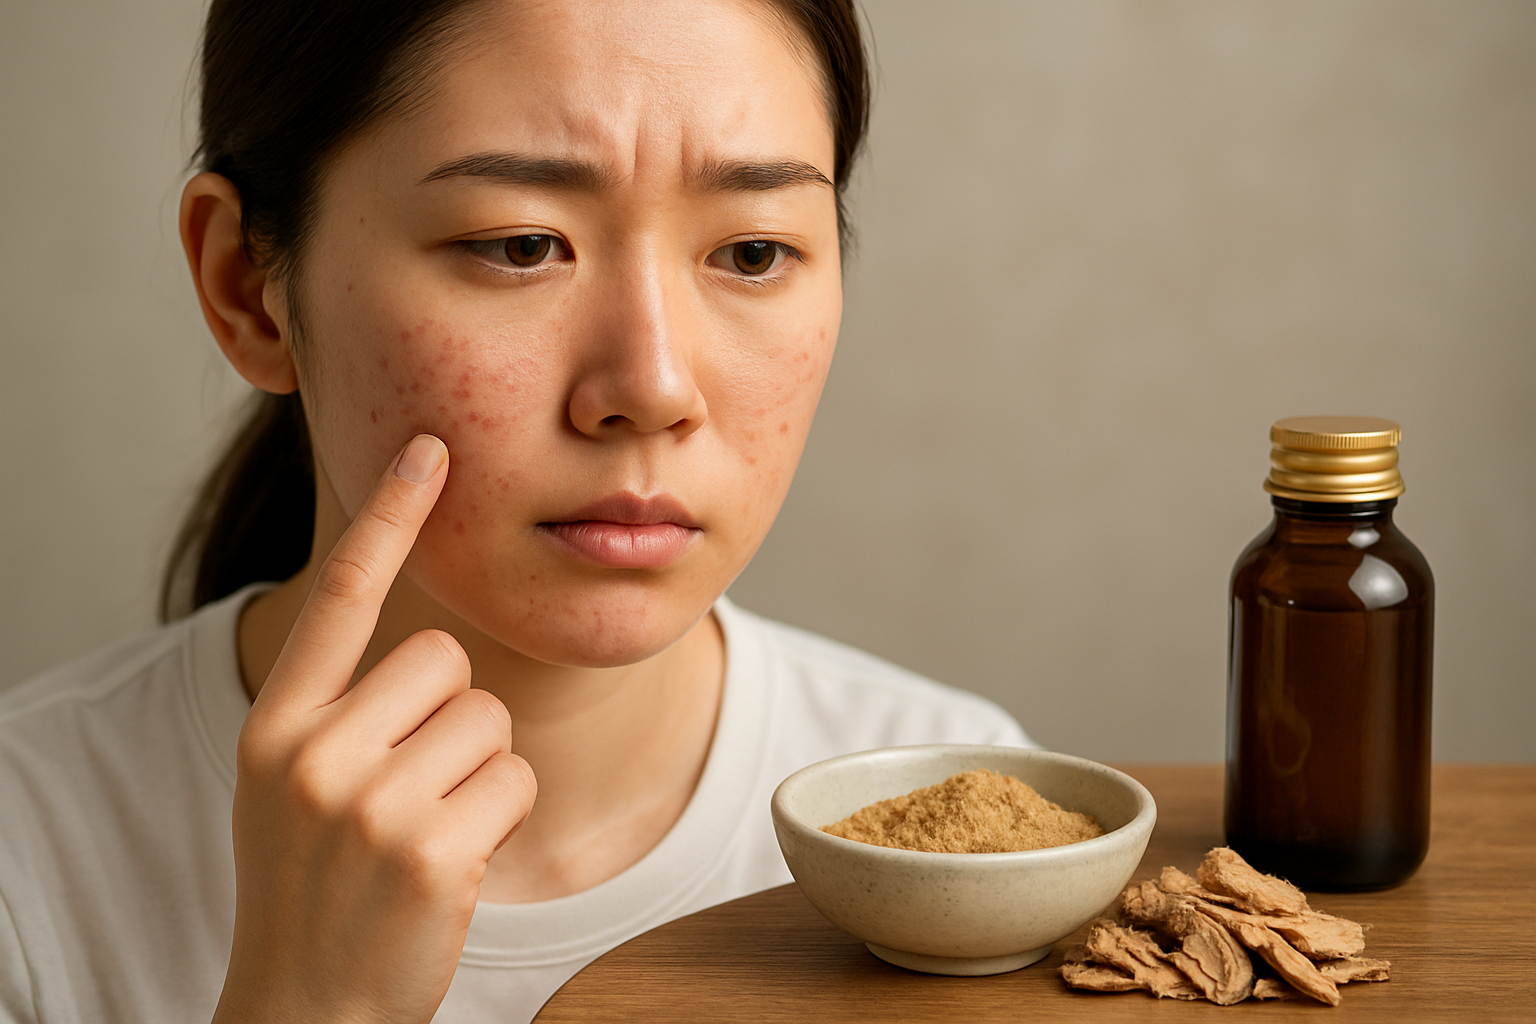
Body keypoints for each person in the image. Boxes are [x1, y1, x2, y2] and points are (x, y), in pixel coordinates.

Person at [0, 1, 1031, 1021]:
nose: (653, 386)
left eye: (752, 253)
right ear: (245, 286)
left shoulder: (982, 836)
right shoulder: (26, 860)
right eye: (522, 244)